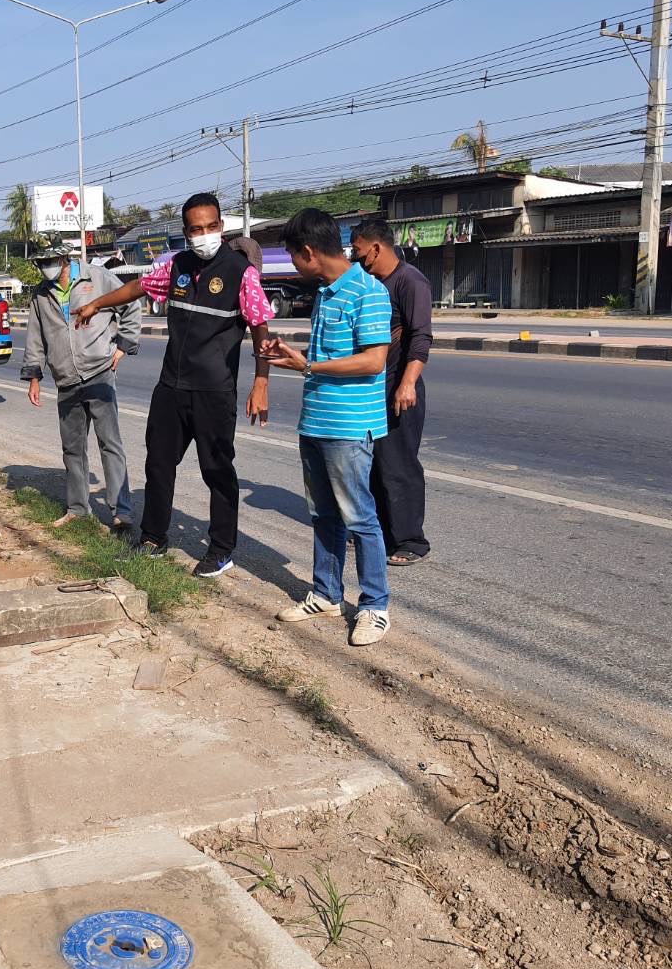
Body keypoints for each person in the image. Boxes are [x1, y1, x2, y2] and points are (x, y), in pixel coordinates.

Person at [72, 192, 273, 577]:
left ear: (221, 227)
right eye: (196, 229)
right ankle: (153, 538)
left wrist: (260, 383)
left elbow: (262, 331)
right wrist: (98, 304)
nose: (204, 235)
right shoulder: (176, 266)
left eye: (211, 227)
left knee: (217, 470)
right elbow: (138, 288)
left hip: (214, 390)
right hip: (171, 387)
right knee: (159, 464)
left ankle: (221, 548)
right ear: (186, 232)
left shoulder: (240, 273)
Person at [261, 208, 392, 647]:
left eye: (294, 256)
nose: (294, 264)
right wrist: (293, 354)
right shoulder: (326, 292)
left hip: (350, 425)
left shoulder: (367, 291)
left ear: (309, 252)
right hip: (315, 421)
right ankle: (326, 593)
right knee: (323, 514)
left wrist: (309, 364)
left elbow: (374, 360)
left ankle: (375, 606)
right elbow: (323, 359)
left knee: (360, 517)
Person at [20, 241, 141, 530]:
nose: (44, 266)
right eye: (40, 262)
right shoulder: (40, 294)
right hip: (66, 379)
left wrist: (123, 346)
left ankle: (121, 512)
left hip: (99, 372)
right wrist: (34, 377)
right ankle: (77, 509)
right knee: (72, 448)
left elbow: (132, 306)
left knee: (109, 443)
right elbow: (35, 337)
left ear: (63, 257)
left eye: (49, 260)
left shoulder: (97, 278)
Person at [350, 217, 432, 565]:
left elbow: (421, 338)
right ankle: (380, 533)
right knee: (373, 464)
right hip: (374, 389)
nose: (355, 258)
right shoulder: (371, 283)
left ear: (376, 248)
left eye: (357, 251)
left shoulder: (409, 281)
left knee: (399, 464)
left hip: (401, 388)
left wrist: (408, 383)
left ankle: (411, 541)